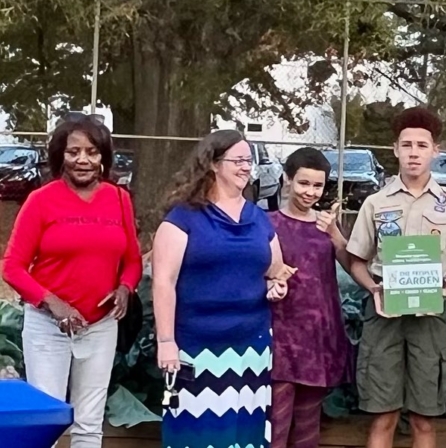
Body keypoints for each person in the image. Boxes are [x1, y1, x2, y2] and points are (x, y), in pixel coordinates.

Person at [2, 113, 143, 447]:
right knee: (45, 420)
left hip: (101, 327)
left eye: (92, 152)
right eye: (73, 151)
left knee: (89, 423)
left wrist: (126, 287)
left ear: (103, 157)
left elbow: (133, 260)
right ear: (60, 156)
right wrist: (54, 303)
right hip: (49, 328)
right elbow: (12, 267)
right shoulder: (40, 201)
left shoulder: (120, 199)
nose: (83, 159)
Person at [346, 107, 446, 448]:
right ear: (395, 150)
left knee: (424, 418)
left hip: (430, 319)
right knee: (383, 414)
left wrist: (444, 293)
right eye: (407, 145)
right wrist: (373, 288)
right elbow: (356, 259)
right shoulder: (375, 203)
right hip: (384, 315)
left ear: (435, 150)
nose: (413, 152)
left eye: (422, 145)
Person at [153, 129, 287, 448]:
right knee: (197, 434)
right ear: (213, 164)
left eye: (248, 160)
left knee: (246, 435)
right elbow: (163, 282)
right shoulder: (182, 219)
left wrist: (276, 286)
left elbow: (275, 270)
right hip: (196, 346)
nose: (246, 167)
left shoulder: (259, 219)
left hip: (251, 348)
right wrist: (166, 341)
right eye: (237, 160)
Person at [268, 147, 351, 448]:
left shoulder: (327, 225)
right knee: (275, 423)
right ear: (287, 180)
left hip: (319, 339)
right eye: (304, 183)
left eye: (318, 185)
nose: (310, 192)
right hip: (280, 336)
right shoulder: (268, 223)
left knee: (307, 427)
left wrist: (335, 235)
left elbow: (351, 264)